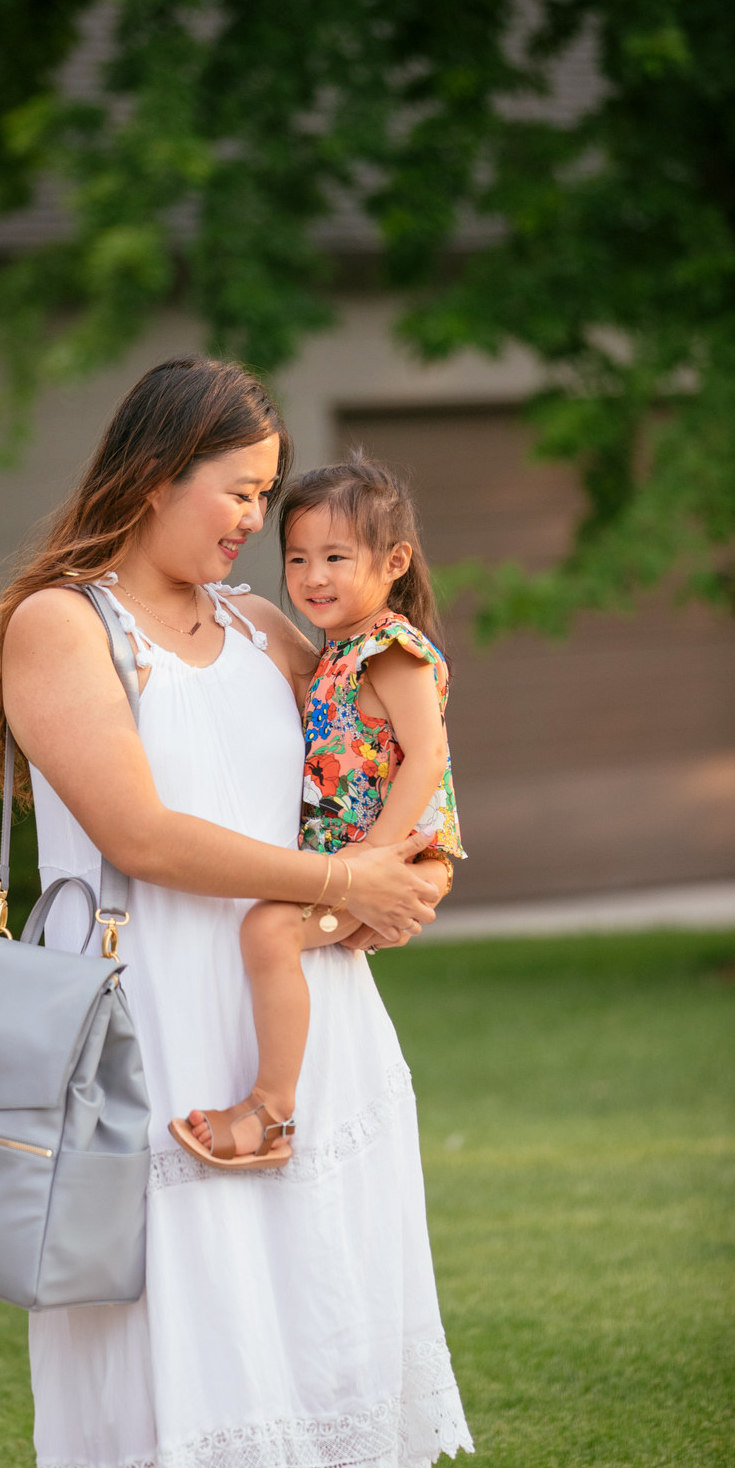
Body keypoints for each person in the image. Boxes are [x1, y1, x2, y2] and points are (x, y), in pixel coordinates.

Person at [0, 357, 473, 1468]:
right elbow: (138, 836)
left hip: (300, 1032)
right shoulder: (63, 625)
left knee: (311, 1363)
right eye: (236, 490)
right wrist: (343, 882)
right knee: (164, 1375)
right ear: (152, 472)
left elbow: (396, 734)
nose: (257, 521)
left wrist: (409, 867)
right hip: (152, 1051)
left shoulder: (257, 625)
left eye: (267, 493)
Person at [170, 457, 465, 1168]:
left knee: (269, 929)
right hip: (355, 861)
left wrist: (366, 866)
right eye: (297, 557)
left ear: (394, 561)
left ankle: (270, 1114)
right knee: (272, 926)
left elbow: (426, 759)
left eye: (335, 556)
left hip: (395, 859)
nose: (312, 576)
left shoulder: (391, 651)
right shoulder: (333, 654)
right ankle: (269, 1108)